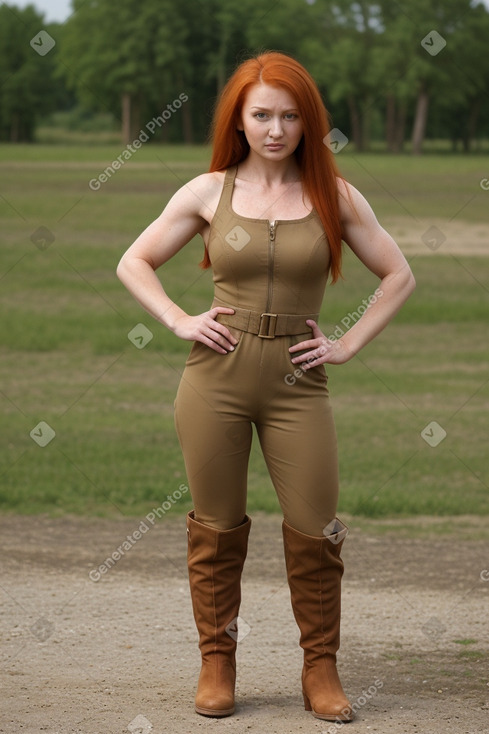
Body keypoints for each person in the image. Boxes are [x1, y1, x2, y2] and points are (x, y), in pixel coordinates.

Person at [116, 51, 415, 722]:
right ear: (239, 121)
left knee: (317, 531)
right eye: (261, 116)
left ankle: (321, 670)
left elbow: (398, 275)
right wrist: (176, 318)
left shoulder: (333, 195)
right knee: (214, 529)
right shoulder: (206, 191)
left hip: (297, 383)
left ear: (307, 122)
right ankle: (216, 663)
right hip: (213, 378)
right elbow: (132, 260)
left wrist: (345, 344)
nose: (275, 129)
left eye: (288, 116)